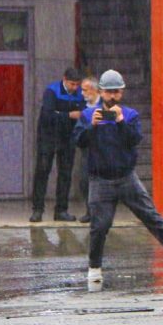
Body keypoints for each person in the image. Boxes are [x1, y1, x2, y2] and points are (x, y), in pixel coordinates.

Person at [73, 69, 163, 288]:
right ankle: (94, 268)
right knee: (99, 226)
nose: (112, 97)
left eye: (116, 92)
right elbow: (79, 142)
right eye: (108, 92)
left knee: (152, 217)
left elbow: (133, 140)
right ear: (101, 92)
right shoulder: (87, 116)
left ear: (121, 93)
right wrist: (91, 126)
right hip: (100, 179)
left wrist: (120, 121)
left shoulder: (130, 115)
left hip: (126, 177)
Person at [30, 67, 84, 223]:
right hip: (48, 137)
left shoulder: (79, 94)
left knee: (65, 174)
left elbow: (83, 111)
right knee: (42, 171)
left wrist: (62, 115)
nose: (75, 88)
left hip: (67, 138)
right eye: (72, 84)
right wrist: (68, 115)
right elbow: (48, 115)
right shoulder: (52, 91)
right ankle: (38, 209)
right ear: (64, 79)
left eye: (77, 85)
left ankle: (61, 210)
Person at [77, 76, 101, 224]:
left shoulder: (105, 106)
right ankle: (90, 210)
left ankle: (98, 212)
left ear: (93, 90)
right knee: (85, 182)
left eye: (85, 90)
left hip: (102, 150)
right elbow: (79, 132)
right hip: (88, 149)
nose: (82, 93)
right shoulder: (84, 110)